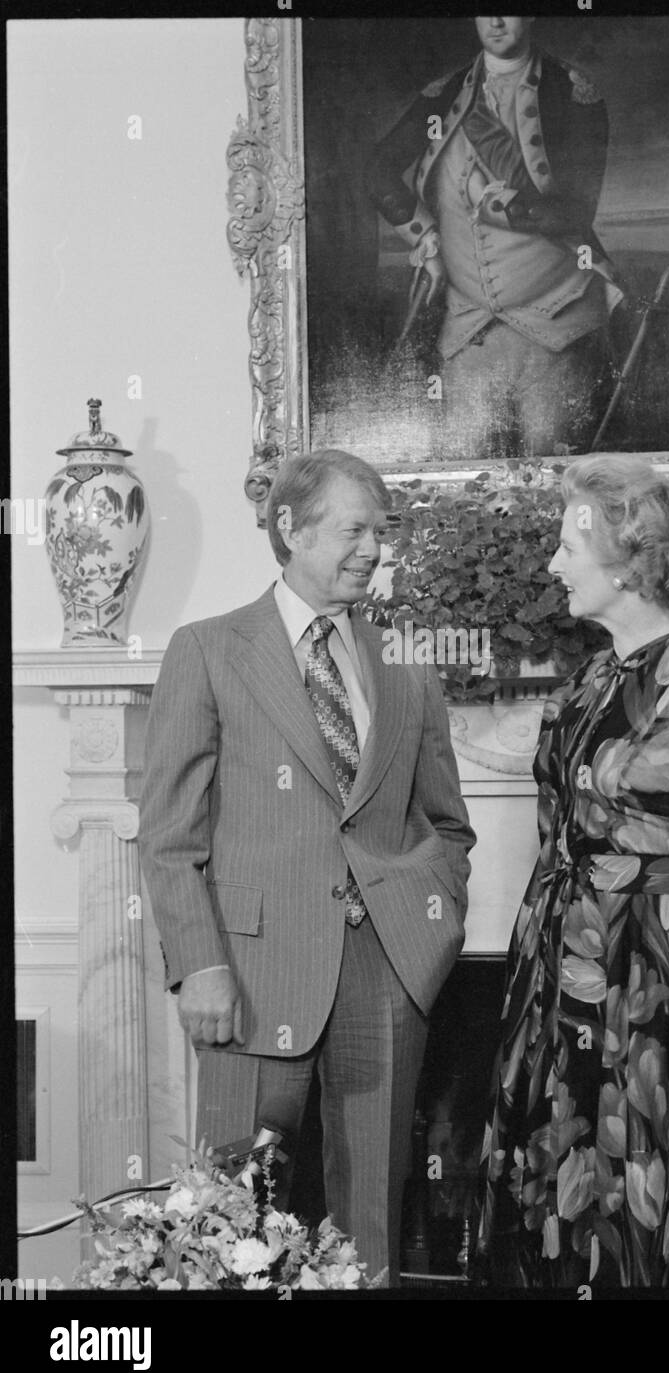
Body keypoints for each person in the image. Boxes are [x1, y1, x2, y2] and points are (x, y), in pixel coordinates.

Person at [138, 450, 476, 1285]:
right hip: (248, 976)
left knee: (371, 1224)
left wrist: (421, 944)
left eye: (381, 532)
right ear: (289, 529)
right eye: (355, 530)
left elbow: (447, 825)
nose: (373, 549)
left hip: (384, 977)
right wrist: (200, 967)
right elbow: (170, 835)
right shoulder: (208, 649)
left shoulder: (403, 658)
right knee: (230, 1215)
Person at [476, 454, 669, 1288]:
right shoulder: (584, 684)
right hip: (558, 977)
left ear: (623, 553)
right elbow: (559, 835)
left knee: (649, 1191)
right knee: (556, 1186)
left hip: (654, 988)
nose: (551, 564)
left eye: (564, 547)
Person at [367, 16, 625, 458]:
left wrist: (499, 206)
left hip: (555, 319)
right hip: (466, 324)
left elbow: (576, 209)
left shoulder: (574, 93)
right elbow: (377, 169)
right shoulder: (443, 94)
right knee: (464, 471)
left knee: (554, 468)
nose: (497, 21)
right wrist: (425, 237)